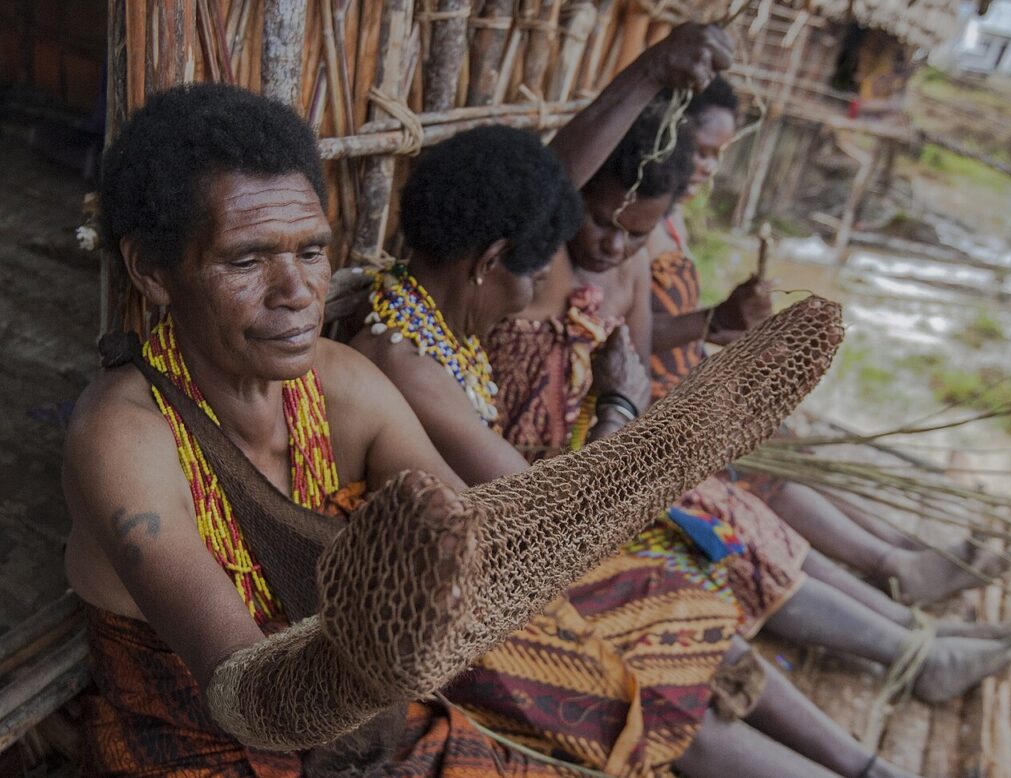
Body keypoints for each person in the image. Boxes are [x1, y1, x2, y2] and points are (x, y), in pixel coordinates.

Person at [64, 82, 825, 776]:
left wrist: (667, 450)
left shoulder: (340, 385)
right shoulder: (126, 436)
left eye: (310, 251)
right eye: (245, 260)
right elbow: (245, 692)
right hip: (204, 745)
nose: (297, 291)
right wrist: (379, 658)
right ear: (153, 273)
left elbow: (492, 535)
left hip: (367, 731)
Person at [349, 24, 920, 778]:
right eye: (530, 278)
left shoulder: (425, 324)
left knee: (698, 613)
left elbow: (546, 189)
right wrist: (621, 406)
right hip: (461, 600)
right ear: (491, 264)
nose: (536, 297)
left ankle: (867, 755)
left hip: (515, 555)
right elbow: (547, 506)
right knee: (665, 667)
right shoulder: (403, 360)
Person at [497, 97, 1011, 715]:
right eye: (603, 223)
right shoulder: (543, 261)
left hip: (618, 453)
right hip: (573, 477)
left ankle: (912, 636)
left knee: (734, 514)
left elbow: (632, 366)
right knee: (728, 516)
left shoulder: (633, 258)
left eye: (634, 234)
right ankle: (908, 624)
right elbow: (612, 395)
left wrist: (702, 396)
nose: (615, 244)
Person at [646, 74, 1011, 609]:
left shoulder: (669, 216)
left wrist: (737, 337)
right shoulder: (632, 225)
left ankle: (904, 551)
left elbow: (688, 325)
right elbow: (637, 334)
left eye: (716, 156)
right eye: (699, 153)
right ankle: (893, 568)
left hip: (685, 383)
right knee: (754, 459)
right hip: (661, 407)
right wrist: (711, 331)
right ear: (671, 140)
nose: (706, 168)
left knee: (782, 436)